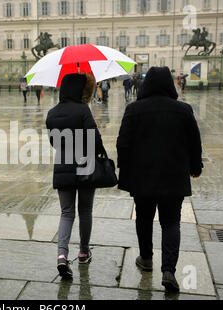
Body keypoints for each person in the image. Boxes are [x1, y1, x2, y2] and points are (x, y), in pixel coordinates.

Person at [116, 67, 203, 292]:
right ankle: (168, 271)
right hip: (174, 177)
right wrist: (196, 167)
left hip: (142, 177)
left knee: (144, 219)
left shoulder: (133, 109)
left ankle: (146, 259)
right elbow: (195, 142)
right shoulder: (183, 110)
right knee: (171, 222)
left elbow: (122, 144)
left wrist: (125, 171)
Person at [46, 73, 106, 280]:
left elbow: (54, 143)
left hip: (62, 164)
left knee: (66, 212)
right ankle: (83, 252)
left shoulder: (52, 113)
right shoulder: (83, 110)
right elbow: (94, 139)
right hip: (85, 163)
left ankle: (62, 255)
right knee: (85, 210)